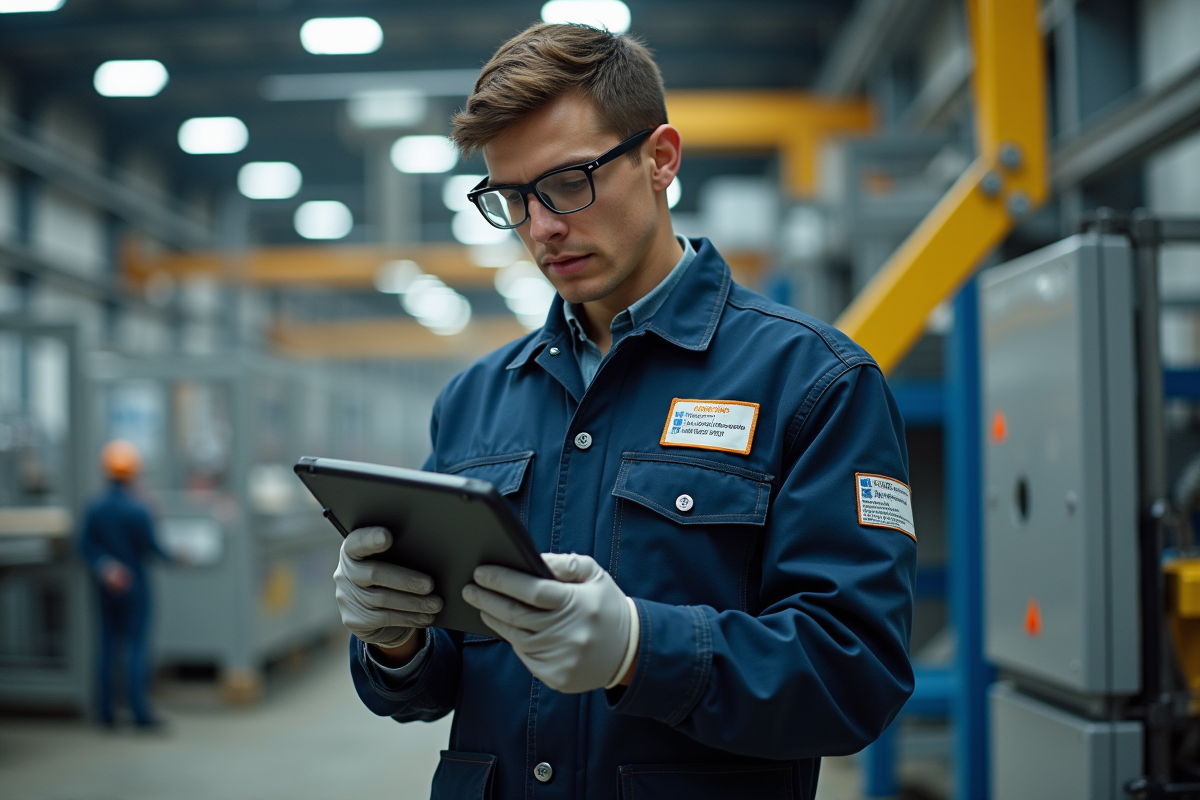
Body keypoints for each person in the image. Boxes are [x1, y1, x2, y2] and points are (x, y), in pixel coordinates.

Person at [334, 23, 916, 799]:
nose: (541, 227)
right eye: (511, 198)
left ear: (661, 160)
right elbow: (438, 681)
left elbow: (857, 674)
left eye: (569, 182)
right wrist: (397, 640)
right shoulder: (475, 400)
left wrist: (642, 651)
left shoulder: (813, 381)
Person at [78, 440, 171, 729]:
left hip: (106, 586)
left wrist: (104, 566)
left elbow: (84, 544)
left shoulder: (94, 507)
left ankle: (105, 714)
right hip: (135, 586)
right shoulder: (138, 509)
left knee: (106, 648)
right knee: (136, 649)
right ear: (134, 472)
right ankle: (139, 713)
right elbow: (153, 548)